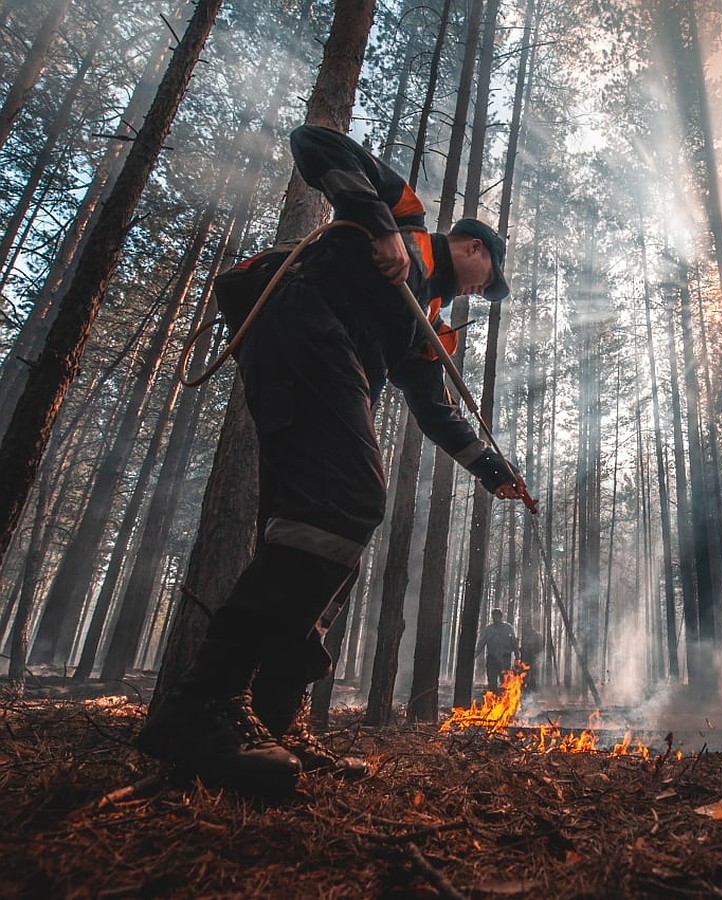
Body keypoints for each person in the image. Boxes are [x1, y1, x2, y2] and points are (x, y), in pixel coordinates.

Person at [139, 124, 524, 792]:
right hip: (302, 326)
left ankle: (269, 712)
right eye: (487, 277)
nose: (481, 293)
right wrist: (376, 225)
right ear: (472, 246)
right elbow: (315, 140)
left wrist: (493, 470)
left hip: (322, 371)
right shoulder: (404, 220)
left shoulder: (425, 319)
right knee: (349, 502)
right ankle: (203, 700)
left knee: (314, 533)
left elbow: (435, 409)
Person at [475, 608, 519, 693]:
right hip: (492, 659)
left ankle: (505, 702)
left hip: (505, 658)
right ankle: (492, 701)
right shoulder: (488, 629)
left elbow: (514, 642)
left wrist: (517, 656)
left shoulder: (508, 627)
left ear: (501, 616)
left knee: (505, 681)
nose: (496, 618)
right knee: (492, 682)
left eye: (498, 615)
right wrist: (475, 655)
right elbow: (481, 643)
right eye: (494, 616)